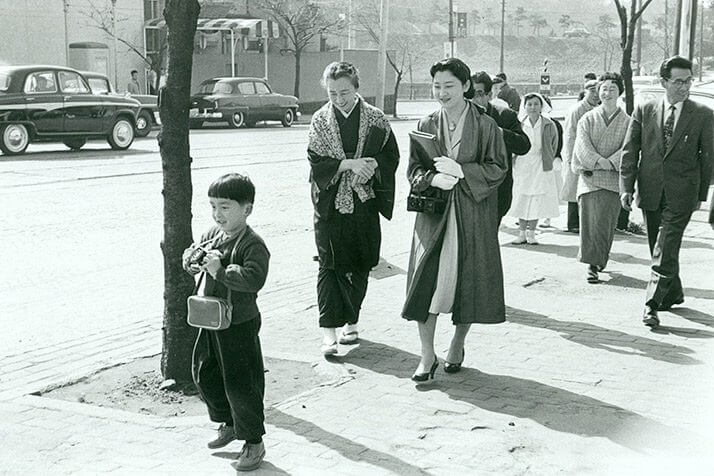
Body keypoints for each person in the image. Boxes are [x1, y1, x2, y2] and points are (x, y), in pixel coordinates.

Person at [403, 58, 508, 381]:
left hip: (472, 216)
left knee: (468, 282)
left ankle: (457, 343)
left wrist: (464, 172)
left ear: (465, 87)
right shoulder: (426, 123)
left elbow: (498, 168)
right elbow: (413, 170)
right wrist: (431, 180)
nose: (442, 92)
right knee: (426, 283)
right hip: (434, 218)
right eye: (436, 86)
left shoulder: (487, 125)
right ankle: (425, 354)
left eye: (449, 86)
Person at [307, 62, 399, 355]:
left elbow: (390, 157)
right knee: (329, 264)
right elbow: (315, 161)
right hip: (330, 204)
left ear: (356, 88)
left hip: (364, 203)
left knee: (362, 262)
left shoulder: (376, 119)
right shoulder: (320, 120)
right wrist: (347, 164)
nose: (339, 99)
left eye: (344, 92)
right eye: (332, 93)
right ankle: (328, 331)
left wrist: (371, 167)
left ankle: (351, 321)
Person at [182, 173, 270, 471]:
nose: (218, 214)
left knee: (241, 383)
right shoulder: (211, 234)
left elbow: (254, 279)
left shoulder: (253, 244)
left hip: (239, 324)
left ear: (247, 209)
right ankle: (229, 423)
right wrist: (191, 260)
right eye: (213, 206)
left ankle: (254, 442)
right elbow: (193, 260)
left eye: (225, 207)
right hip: (209, 318)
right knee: (204, 373)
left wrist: (221, 269)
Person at [620, 55, 713, 328]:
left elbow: (709, 158)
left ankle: (652, 304)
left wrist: (700, 196)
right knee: (658, 248)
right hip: (650, 191)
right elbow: (630, 151)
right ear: (664, 82)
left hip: (683, 194)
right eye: (678, 82)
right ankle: (673, 292)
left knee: (666, 245)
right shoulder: (644, 110)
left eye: (688, 81)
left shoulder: (704, 114)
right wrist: (626, 187)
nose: (685, 87)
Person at [572, 72, 630, 283]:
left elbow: (629, 149)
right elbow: (581, 146)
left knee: (604, 224)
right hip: (589, 178)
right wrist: (598, 161)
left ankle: (598, 259)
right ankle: (591, 264)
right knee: (588, 222)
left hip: (612, 181)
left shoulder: (627, 122)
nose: (607, 93)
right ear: (598, 92)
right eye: (604, 89)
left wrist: (611, 162)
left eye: (612, 89)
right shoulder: (587, 118)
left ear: (619, 93)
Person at [470, 71, 531, 225]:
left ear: (490, 95)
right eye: (469, 94)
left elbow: (523, 146)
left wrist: (498, 132)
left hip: (496, 192)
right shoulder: (458, 118)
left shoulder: (505, 116)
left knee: (488, 240)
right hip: (467, 191)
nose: (473, 99)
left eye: (478, 93)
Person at [508, 92, 561, 245]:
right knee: (522, 197)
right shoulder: (519, 123)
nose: (532, 107)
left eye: (536, 104)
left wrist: (548, 158)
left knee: (536, 198)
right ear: (525, 106)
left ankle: (532, 233)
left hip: (540, 164)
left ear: (541, 106)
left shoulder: (548, 124)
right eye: (529, 104)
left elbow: (554, 144)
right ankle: (522, 233)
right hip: (522, 164)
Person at [562, 78, 600, 233]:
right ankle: (573, 223)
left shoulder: (598, 108)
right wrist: (571, 157)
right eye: (592, 91)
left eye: (598, 91)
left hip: (591, 154)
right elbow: (570, 134)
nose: (595, 95)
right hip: (576, 154)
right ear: (585, 91)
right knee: (574, 189)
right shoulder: (577, 109)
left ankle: (586, 223)